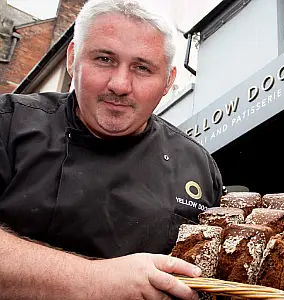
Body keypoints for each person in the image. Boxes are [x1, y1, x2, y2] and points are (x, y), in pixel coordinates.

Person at [0, 0, 222, 299]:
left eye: (142, 68)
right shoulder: (9, 123)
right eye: (104, 59)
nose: (120, 84)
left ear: (168, 81)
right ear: (72, 58)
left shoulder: (198, 167)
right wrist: (92, 278)